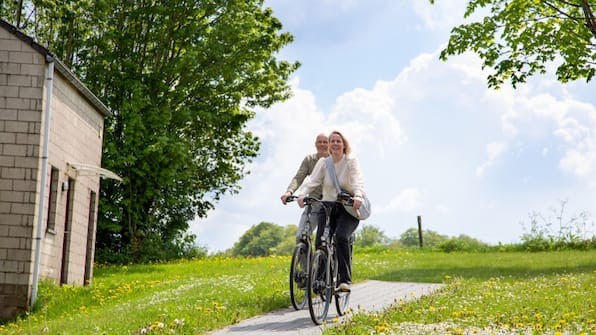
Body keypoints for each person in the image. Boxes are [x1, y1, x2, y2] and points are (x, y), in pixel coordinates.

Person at [296, 130, 366, 292]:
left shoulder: (350, 161)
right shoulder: (323, 163)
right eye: (332, 141)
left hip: (347, 207)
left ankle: (344, 280)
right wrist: (302, 194)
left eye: (338, 141)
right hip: (327, 206)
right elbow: (312, 181)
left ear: (344, 145)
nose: (335, 144)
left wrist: (358, 195)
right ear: (329, 145)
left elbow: (357, 181)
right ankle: (320, 281)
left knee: (340, 237)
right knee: (321, 242)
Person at [281, 133, 329, 243]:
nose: (322, 144)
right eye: (319, 142)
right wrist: (289, 191)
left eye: (325, 142)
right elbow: (299, 177)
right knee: (301, 236)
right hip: (314, 202)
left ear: (330, 144)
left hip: (331, 203)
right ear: (315, 144)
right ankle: (306, 259)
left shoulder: (334, 160)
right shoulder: (309, 159)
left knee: (325, 240)